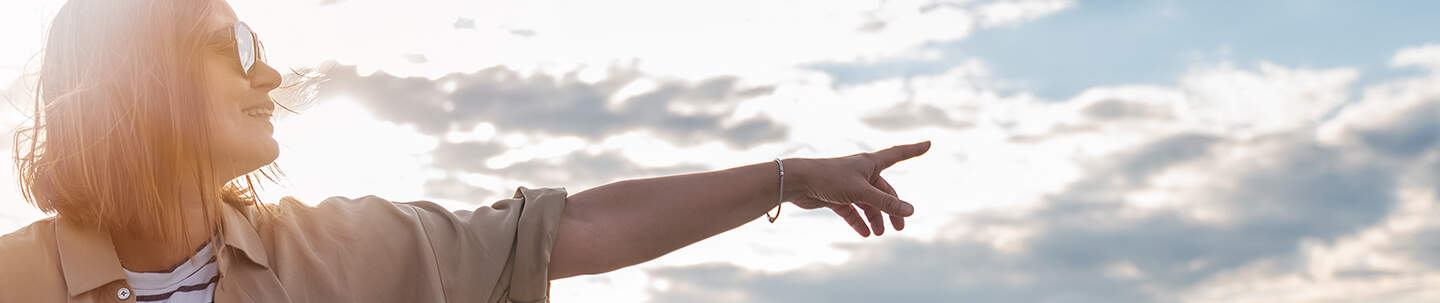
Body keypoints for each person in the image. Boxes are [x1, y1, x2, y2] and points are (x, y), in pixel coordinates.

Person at [0, 0, 931, 302]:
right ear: (135, 82)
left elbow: (571, 228)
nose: (269, 70)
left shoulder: (349, 254)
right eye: (233, 41)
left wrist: (783, 177)